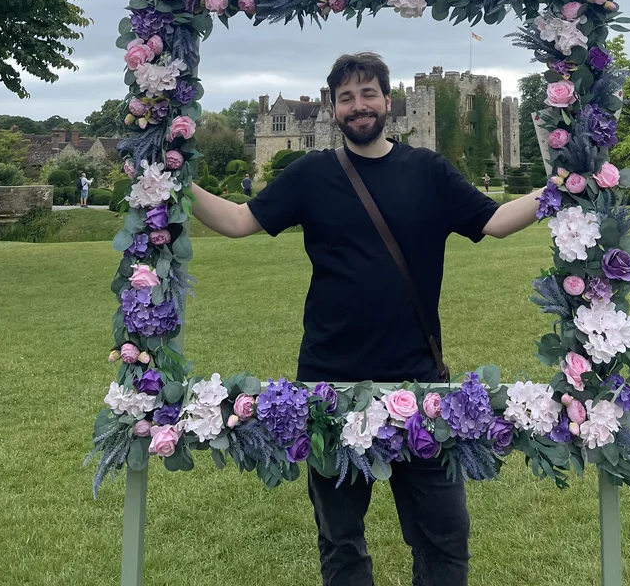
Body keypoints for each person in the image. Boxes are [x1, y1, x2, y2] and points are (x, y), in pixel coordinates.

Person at [190, 52, 544, 586]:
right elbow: (239, 221)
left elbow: (494, 221)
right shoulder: (311, 174)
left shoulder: (428, 170)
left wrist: (561, 190)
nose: (359, 106)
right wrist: (167, 181)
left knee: (444, 538)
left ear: (387, 100)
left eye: (369, 94)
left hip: (419, 382)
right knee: (340, 540)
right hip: (330, 379)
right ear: (334, 107)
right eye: (347, 97)